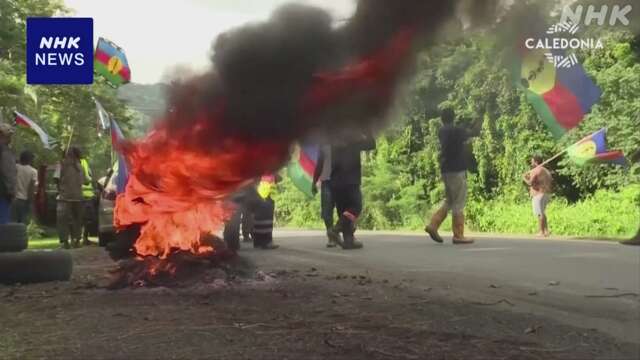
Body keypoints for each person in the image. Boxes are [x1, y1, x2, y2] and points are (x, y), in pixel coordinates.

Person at [425, 108, 478, 245]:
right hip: (456, 170)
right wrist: (477, 121)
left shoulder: (442, 131)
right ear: (453, 117)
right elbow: (472, 133)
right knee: (459, 202)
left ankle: (433, 224)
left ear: (442, 119)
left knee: (449, 200)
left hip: (446, 169)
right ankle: (458, 235)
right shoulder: (456, 130)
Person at [317, 133, 375, 250]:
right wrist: (367, 129)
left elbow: (322, 163)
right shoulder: (353, 141)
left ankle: (348, 240)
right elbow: (371, 144)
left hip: (335, 184)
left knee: (344, 211)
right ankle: (335, 229)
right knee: (355, 207)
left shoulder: (330, 142)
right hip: (350, 181)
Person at [55, 147, 85, 249]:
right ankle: (76, 240)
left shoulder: (61, 164)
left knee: (63, 220)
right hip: (78, 197)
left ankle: (65, 242)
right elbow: (83, 181)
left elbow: (56, 178)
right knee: (77, 220)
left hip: (64, 197)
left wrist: (60, 189)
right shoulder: (80, 166)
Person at [313, 144, 339, 247]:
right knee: (326, 211)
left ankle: (347, 235)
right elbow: (319, 163)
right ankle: (331, 237)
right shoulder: (324, 144)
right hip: (327, 181)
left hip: (342, 180)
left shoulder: (345, 140)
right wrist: (314, 181)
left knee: (344, 209)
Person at [523, 155, 553, 237]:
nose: (531, 162)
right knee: (542, 212)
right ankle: (546, 231)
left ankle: (541, 231)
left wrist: (524, 178)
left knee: (539, 213)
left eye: (532, 161)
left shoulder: (535, 170)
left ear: (536, 162)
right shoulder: (546, 171)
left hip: (538, 194)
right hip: (547, 193)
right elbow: (550, 181)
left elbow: (530, 183)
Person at [11, 151, 38, 224]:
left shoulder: (15, 167)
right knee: (23, 223)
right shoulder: (33, 171)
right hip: (24, 200)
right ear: (30, 160)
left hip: (13, 198)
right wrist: (31, 202)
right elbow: (31, 188)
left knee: (12, 222)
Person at [0, 123, 17, 225]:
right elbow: (8, 172)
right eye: (9, 135)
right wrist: (12, 191)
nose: (10, 138)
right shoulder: (4, 150)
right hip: (2, 192)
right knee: (2, 223)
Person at [79, 151, 96, 245]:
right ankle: (83, 238)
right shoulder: (83, 162)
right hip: (86, 195)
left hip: (79, 195)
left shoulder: (67, 163)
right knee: (87, 219)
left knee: (80, 218)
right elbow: (87, 178)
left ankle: (79, 238)